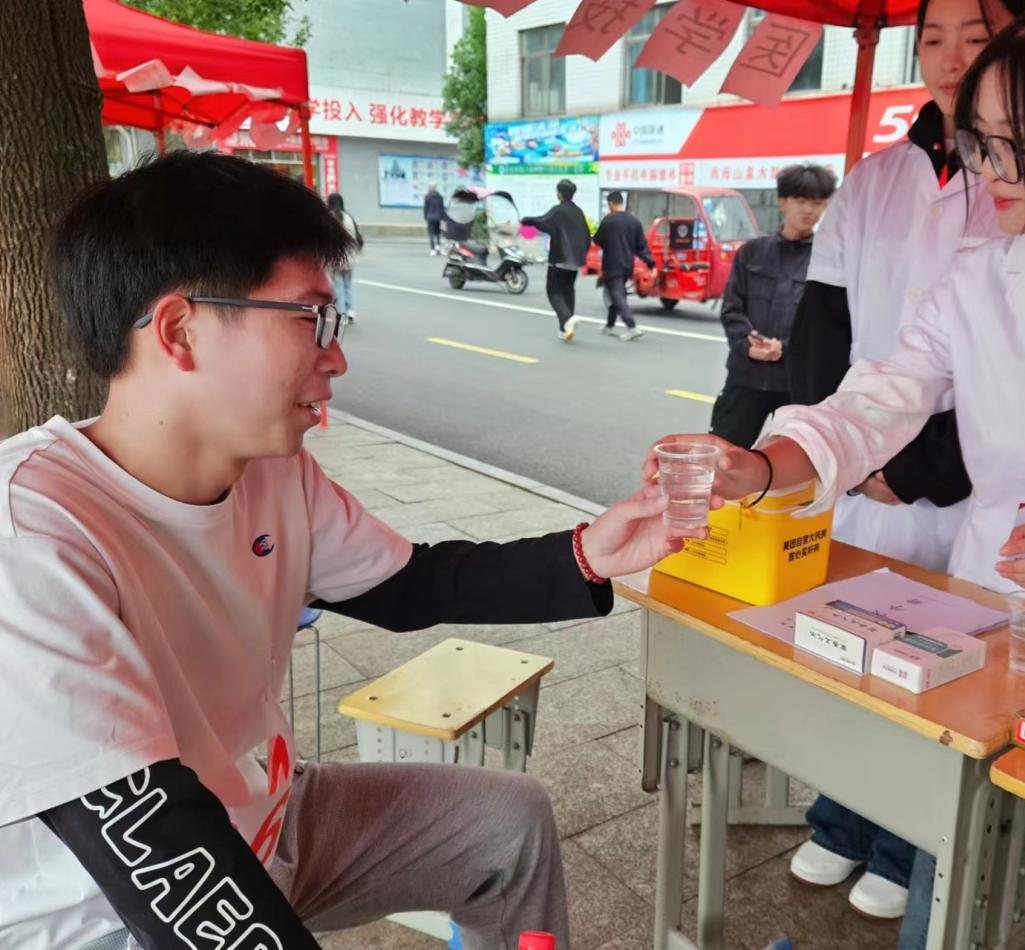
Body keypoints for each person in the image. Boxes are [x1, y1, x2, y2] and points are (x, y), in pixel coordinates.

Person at [652, 8, 1025, 935]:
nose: (989, 172)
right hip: (1000, 628)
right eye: (979, 143)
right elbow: (878, 398)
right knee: (956, 886)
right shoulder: (983, 277)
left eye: (1015, 147)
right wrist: (766, 464)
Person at [0, 151, 710, 950]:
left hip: (267, 819)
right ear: (180, 331)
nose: (336, 356)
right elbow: (157, 848)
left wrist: (585, 554)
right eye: (309, 318)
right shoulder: (31, 536)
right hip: (108, 912)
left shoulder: (273, 473)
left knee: (507, 822)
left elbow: (407, 584)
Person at [782, 0, 1025, 930]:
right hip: (861, 462)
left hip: (962, 483)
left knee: (939, 676)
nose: (952, 56)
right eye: (933, 37)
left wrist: (926, 467)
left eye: (977, 34)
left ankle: (903, 844)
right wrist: (836, 454)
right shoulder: (874, 179)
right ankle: (841, 818)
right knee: (848, 653)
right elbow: (823, 327)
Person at [710, 165, 836, 449]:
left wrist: (786, 347)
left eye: (818, 203)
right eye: (801, 201)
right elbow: (732, 308)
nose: (809, 210)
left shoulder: (828, 261)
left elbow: (825, 324)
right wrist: (746, 343)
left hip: (796, 384)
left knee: (793, 463)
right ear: (782, 202)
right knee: (724, 456)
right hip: (745, 376)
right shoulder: (752, 252)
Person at [522, 179, 593, 342]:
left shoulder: (558, 210)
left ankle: (568, 320)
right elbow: (586, 236)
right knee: (568, 290)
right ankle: (565, 328)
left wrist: (526, 220)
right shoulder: (578, 212)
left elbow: (543, 221)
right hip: (574, 261)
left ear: (560, 194)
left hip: (560, 258)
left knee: (553, 291)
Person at [593, 191, 657, 341]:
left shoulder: (609, 220)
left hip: (612, 264)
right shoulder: (634, 221)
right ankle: (609, 326)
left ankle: (632, 326)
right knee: (616, 293)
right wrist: (651, 264)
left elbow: (598, 240)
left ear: (610, 204)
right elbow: (641, 247)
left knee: (616, 294)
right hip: (627, 264)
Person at [327, 192, 362, 321]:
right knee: (347, 285)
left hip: (337, 258)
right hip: (350, 257)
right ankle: (350, 310)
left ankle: (341, 313)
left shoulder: (330, 217)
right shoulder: (349, 218)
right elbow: (358, 238)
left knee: (338, 286)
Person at [424, 182, 446, 254]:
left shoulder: (427, 197)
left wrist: (426, 217)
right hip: (438, 218)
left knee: (431, 234)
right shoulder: (440, 197)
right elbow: (442, 208)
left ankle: (433, 249)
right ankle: (438, 247)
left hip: (430, 218)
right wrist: (443, 217)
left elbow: (426, 208)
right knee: (438, 233)